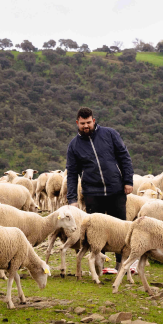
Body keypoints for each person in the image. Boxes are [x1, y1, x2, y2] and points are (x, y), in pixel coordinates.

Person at [66, 107, 134, 265]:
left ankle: (121, 263)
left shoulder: (109, 134)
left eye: (88, 122)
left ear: (93, 121)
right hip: (92, 193)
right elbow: (72, 173)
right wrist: (72, 199)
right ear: (77, 123)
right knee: (96, 230)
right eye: (82, 123)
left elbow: (124, 156)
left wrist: (128, 181)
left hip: (115, 189)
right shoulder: (74, 145)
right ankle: (99, 264)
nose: (86, 126)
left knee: (121, 227)